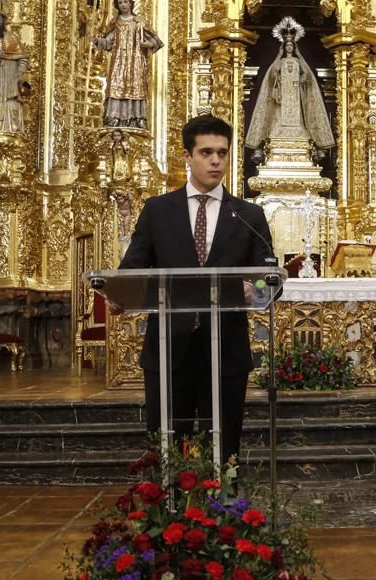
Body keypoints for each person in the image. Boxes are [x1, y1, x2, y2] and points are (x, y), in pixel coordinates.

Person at [117, 115, 274, 466]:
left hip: (226, 349)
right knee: (168, 445)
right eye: (206, 152)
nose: (215, 160)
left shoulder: (248, 215)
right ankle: (168, 511)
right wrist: (120, 294)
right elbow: (133, 267)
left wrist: (255, 290)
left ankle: (225, 510)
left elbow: (269, 277)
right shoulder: (158, 211)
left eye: (222, 152)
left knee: (224, 443)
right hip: (169, 347)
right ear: (187, 156)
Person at [245, 18, 335, 163]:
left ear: (294, 47)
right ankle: (278, 132)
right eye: (286, 45)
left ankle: (300, 132)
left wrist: (303, 79)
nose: (289, 48)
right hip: (282, 96)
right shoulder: (280, 62)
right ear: (284, 47)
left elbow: (307, 75)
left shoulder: (298, 62)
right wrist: (277, 62)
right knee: (279, 115)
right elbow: (273, 74)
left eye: (290, 45)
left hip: (295, 93)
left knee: (298, 116)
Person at [93, 0, 163, 128]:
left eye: (125, 2)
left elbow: (155, 40)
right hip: (119, 62)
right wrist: (98, 41)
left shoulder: (139, 22)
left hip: (135, 60)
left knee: (136, 86)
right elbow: (108, 43)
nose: (123, 5)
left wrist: (148, 44)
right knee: (116, 86)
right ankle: (114, 117)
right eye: (120, 3)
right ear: (117, 5)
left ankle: (136, 118)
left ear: (131, 4)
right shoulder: (115, 22)